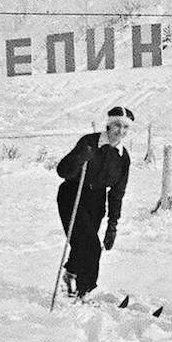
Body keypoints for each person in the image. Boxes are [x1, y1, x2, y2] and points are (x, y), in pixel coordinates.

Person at [55, 106, 134, 299]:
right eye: (116, 125)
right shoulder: (89, 142)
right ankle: (85, 289)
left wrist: (112, 225)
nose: (120, 131)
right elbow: (62, 171)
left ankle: (71, 275)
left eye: (125, 127)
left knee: (82, 244)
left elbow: (117, 193)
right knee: (90, 246)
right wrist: (80, 158)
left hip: (96, 200)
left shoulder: (123, 157)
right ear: (108, 125)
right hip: (73, 195)